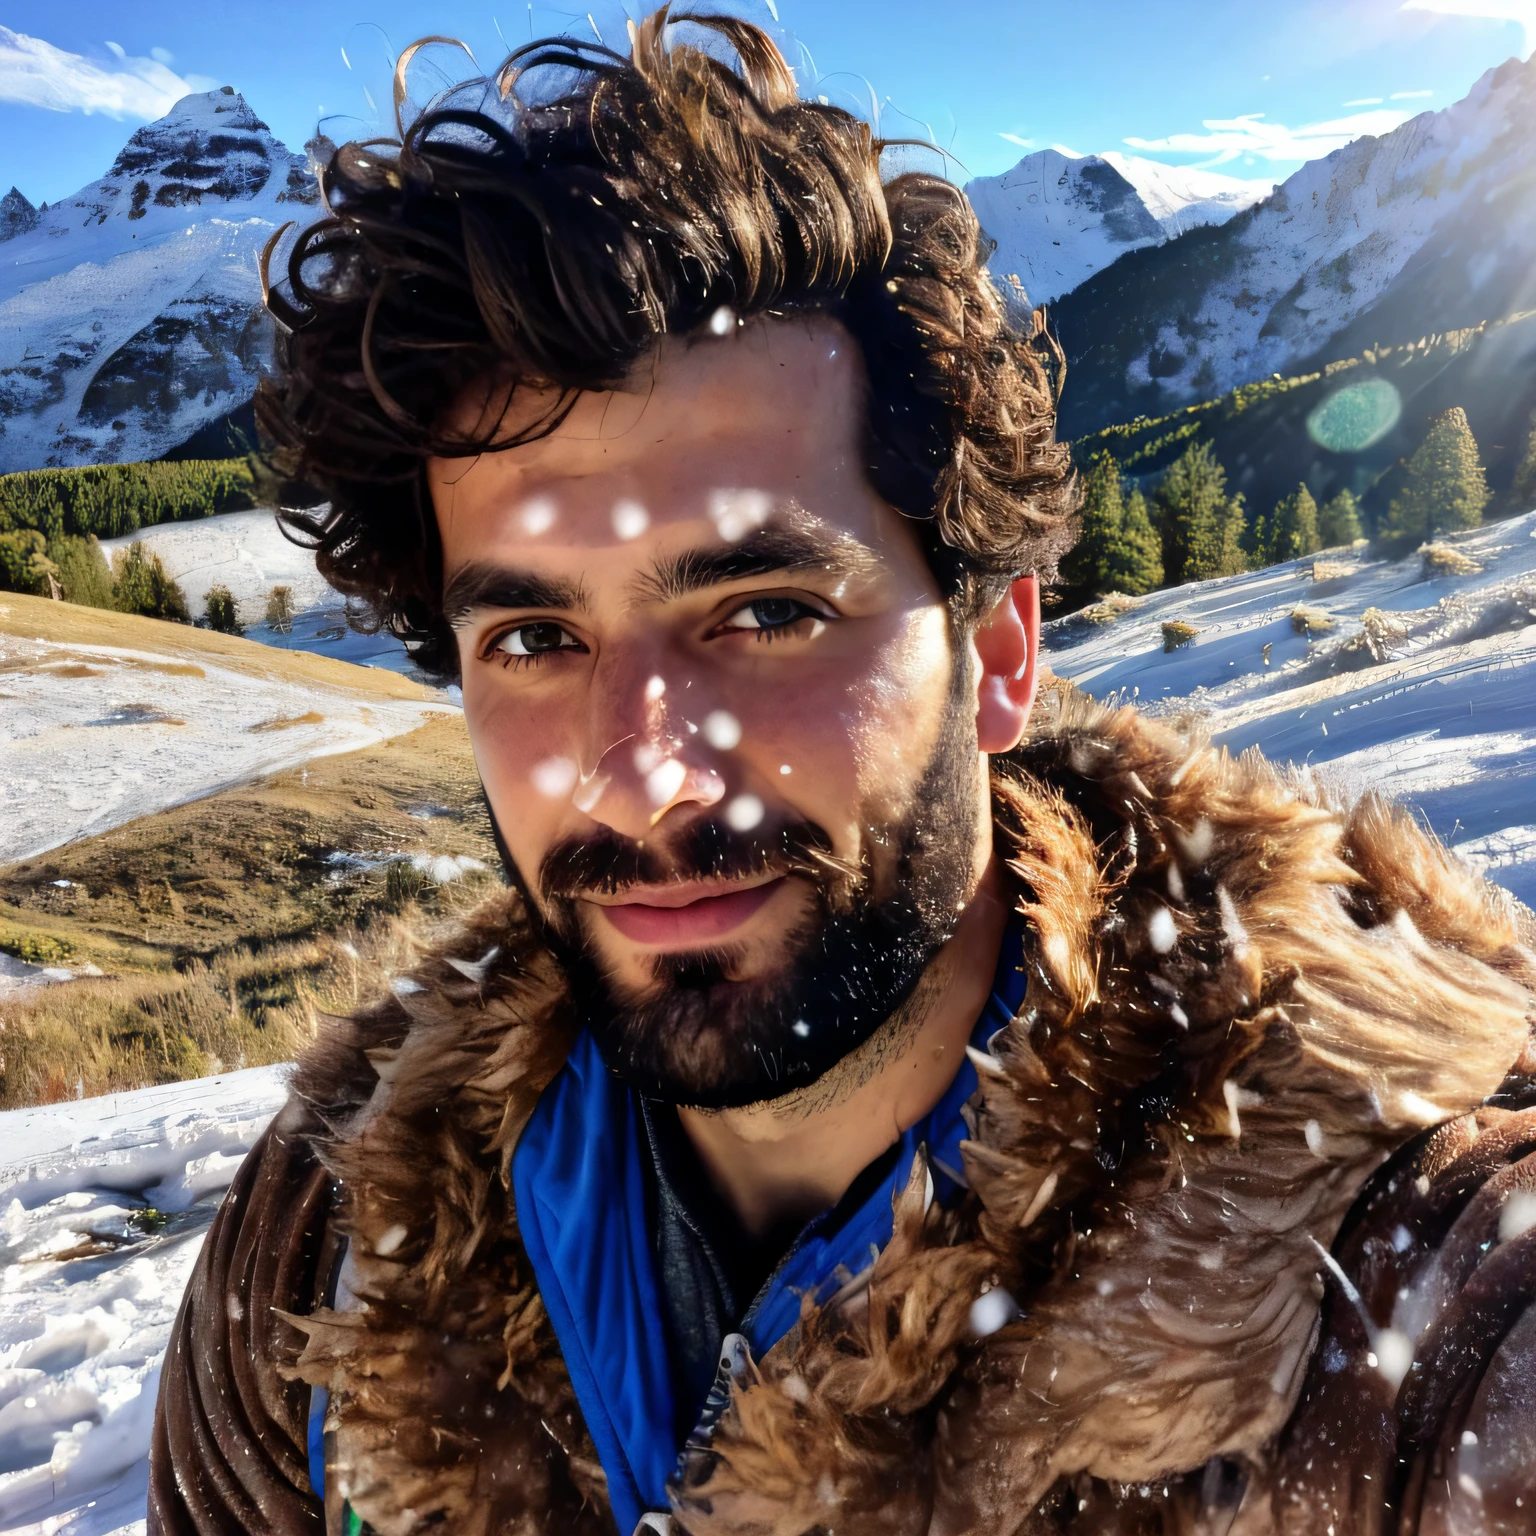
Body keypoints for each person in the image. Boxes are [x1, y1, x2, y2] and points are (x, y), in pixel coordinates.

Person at [149, 12, 1536, 1535]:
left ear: (1000, 652)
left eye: (764, 614)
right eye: (536, 639)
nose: (642, 777)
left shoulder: (1382, 1261)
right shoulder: (338, 1233)